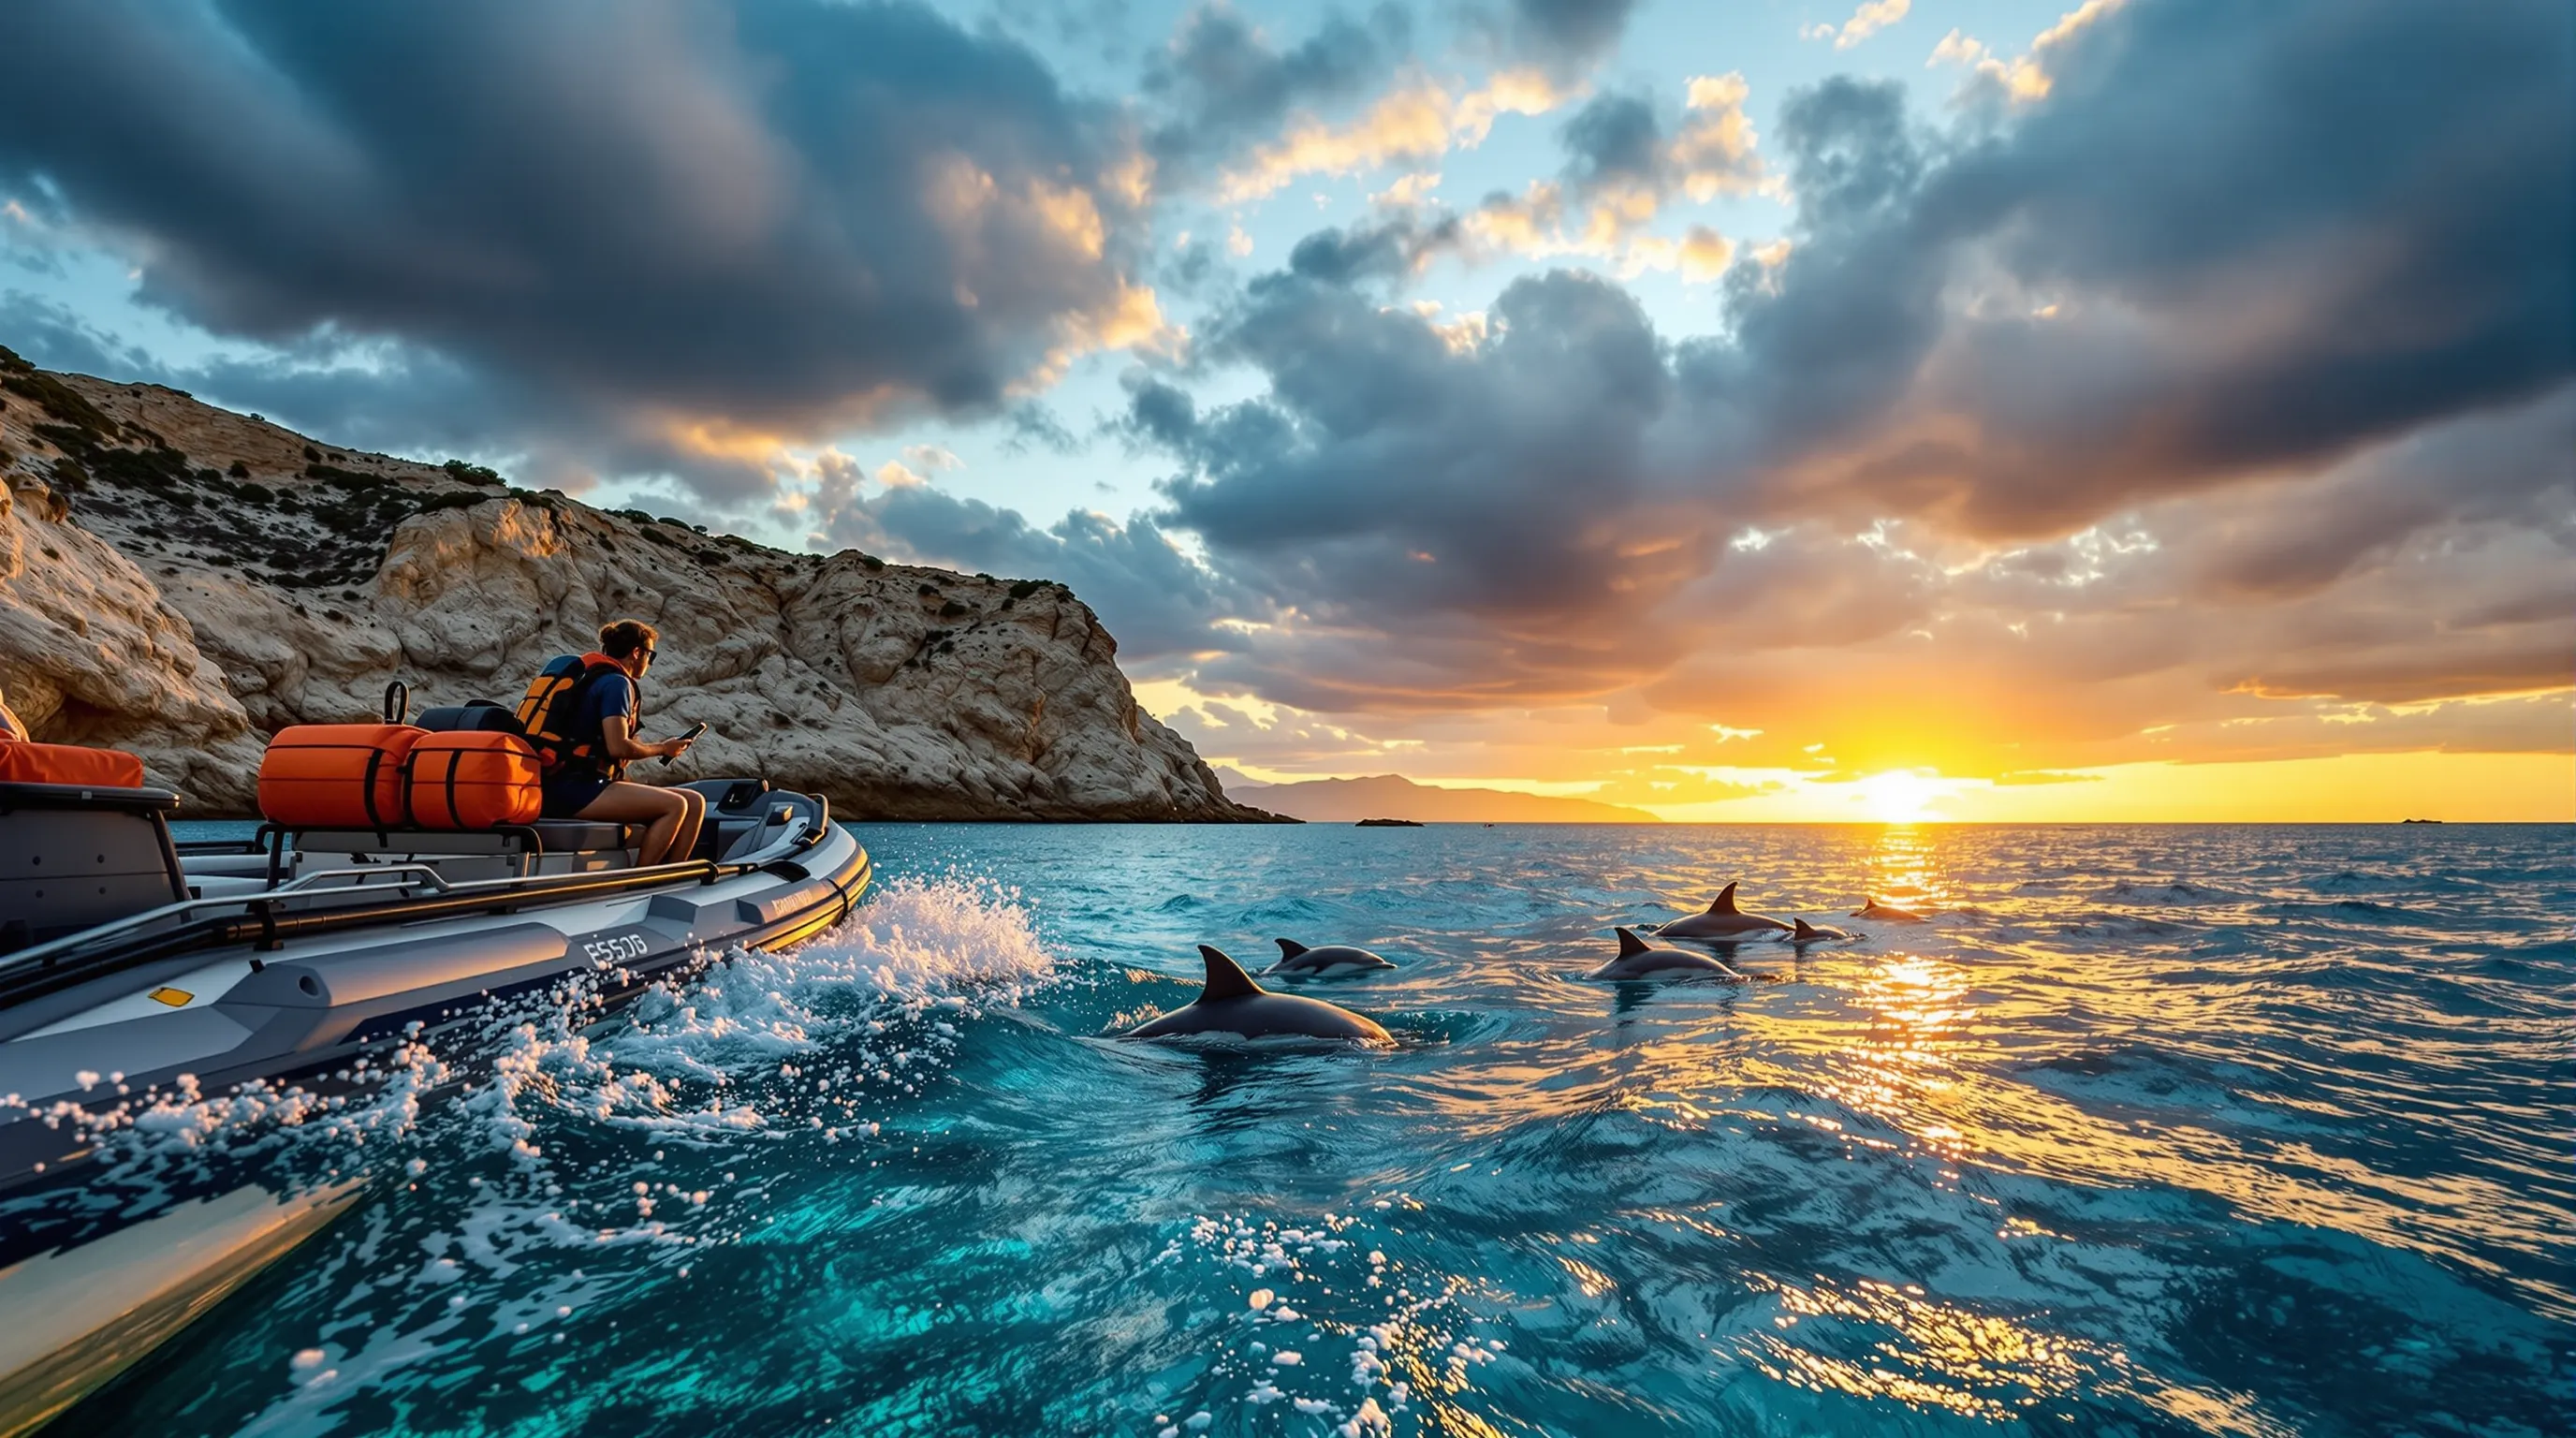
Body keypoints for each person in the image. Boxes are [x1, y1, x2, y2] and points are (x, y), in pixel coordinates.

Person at [543, 620, 704, 866]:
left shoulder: (589, 677)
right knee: (676, 805)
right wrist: (663, 748)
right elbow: (618, 746)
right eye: (650, 654)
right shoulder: (617, 684)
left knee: (695, 802)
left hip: (561, 781)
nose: (649, 662)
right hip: (574, 788)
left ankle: (670, 878)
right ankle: (639, 884)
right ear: (637, 652)